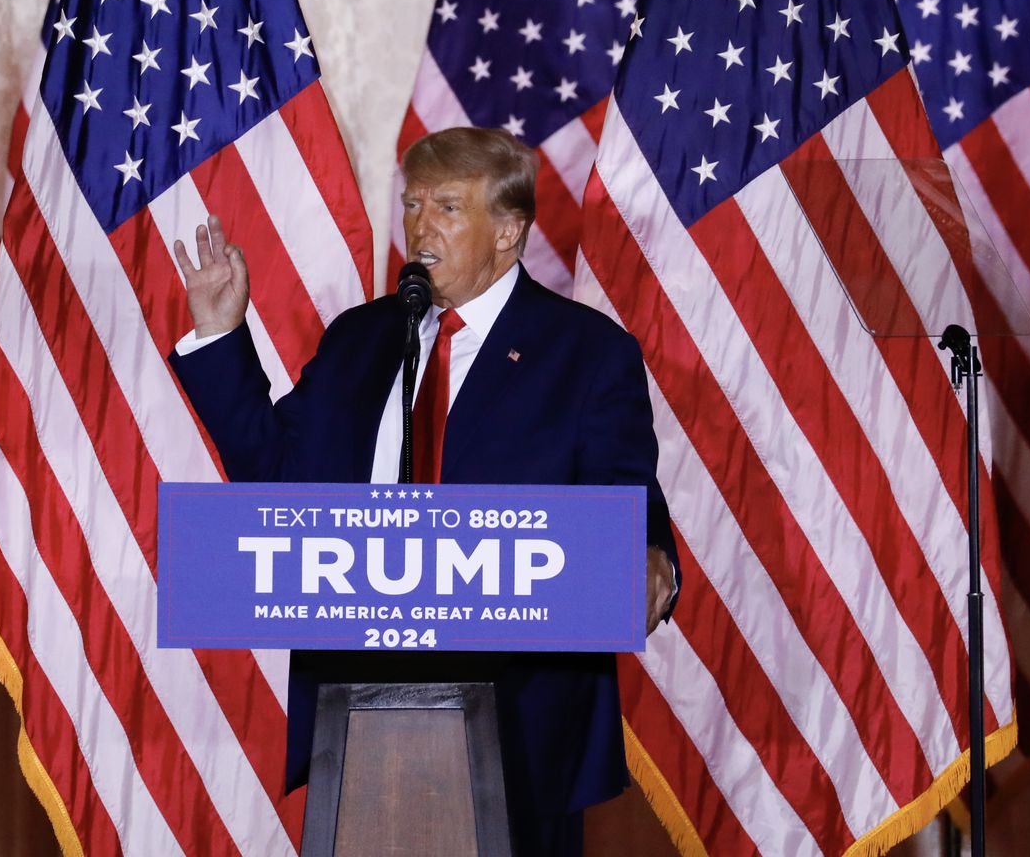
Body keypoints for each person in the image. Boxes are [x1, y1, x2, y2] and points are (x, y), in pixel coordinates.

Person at [169, 126, 678, 856]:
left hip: (520, 723)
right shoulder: (361, 339)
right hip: (361, 709)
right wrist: (221, 334)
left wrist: (650, 555)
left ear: (508, 230)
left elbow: (624, 493)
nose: (419, 227)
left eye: (446, 207)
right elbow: (277, 480)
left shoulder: (585, 353)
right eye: (412, 206)